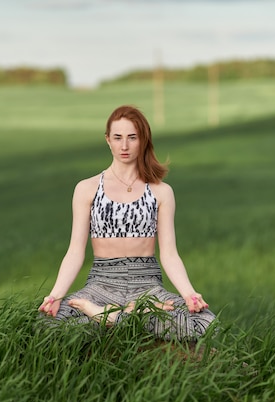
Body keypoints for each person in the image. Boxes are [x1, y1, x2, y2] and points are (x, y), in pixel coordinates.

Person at [38, 105, 216, 341]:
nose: (124, 146)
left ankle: (111, 316)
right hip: (101, 284)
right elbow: (74, 251)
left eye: (132, 137)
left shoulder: (162, 192)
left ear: (143, 140)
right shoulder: (86, 188)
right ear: (107, 140)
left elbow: (170, 254)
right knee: (47, 325)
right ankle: (132, 315)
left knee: (204, 322)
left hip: (148, 285)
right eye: (117, 138)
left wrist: (189, 294)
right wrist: (55, 295)